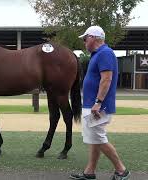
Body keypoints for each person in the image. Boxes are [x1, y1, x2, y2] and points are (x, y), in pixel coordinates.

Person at [69, 26, 130, 180]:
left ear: (93, 38)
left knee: (98, 138)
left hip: (98, 106)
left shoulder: (105, 53)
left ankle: (121, 170)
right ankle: (89, 172)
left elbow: (106, 79)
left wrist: (98, 102)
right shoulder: (98, 54)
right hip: (93, 104)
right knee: (94, 139)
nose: (84, 42)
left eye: (85, 38)